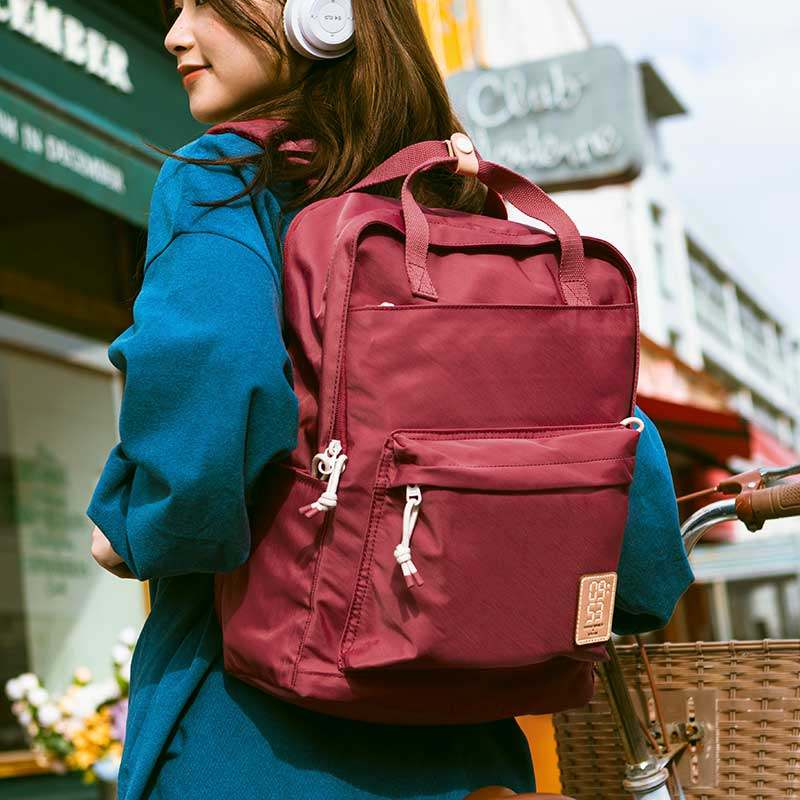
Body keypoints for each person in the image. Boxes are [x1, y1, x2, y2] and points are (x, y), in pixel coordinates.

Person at [85, 1, 694, 798]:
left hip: (259, 735)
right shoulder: (453, 195)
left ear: (322, 13)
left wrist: (141, 529)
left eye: (207, 2)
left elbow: (215, 373)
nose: (176, 33)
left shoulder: (226, 179)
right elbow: (598, 423)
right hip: (468, 747)